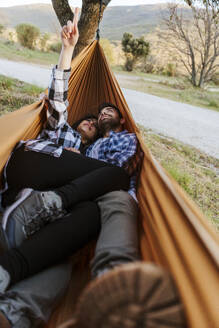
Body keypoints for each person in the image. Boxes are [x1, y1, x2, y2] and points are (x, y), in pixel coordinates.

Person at [0, 10, 186, 328]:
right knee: (114, 178)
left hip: (34, 234)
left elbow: (116, 168)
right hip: (27, 182)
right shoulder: (62, 135)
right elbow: (58, 101)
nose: (92, 119)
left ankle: (10, 312)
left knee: (65, 261)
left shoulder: (110, 147)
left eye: (99, 118)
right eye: (88, 117)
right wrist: (68, 50)